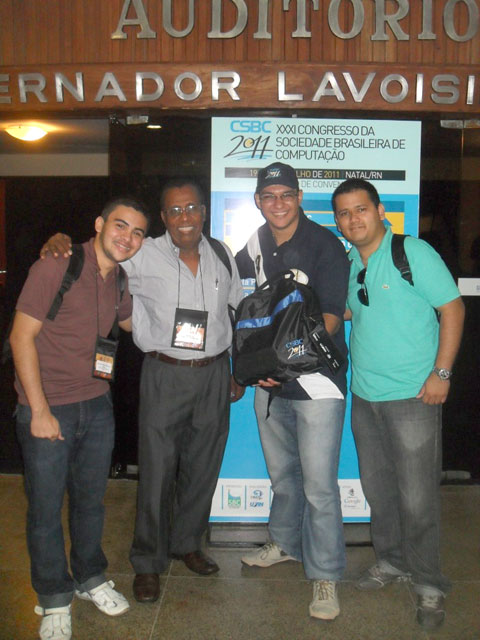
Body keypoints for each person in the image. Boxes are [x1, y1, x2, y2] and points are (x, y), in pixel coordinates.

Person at [42, 179, 245, 605]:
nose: (185, 217)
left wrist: (235, 369)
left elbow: (234, 311)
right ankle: (148, 561)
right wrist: (63, 244)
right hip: (164, 373)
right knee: (157, 471)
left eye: (192, 208)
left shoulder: (222, 253)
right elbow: (101, 259)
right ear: (164, 217)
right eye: (175, 210)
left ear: (204, 211)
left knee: (203, 466)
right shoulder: (143, 253)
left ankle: (187, 543)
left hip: (214, 373)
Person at [10, 198, 149, 640]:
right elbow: (20, 337)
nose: (127, 237)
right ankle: (54, 596)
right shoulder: (57, 265)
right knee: (46, 509)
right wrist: (39, 410)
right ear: (100, 224)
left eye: (137, 232)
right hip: (49, 406)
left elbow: (131, 326)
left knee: (91, 502)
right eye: (120, 226)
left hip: (97, 405)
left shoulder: (120, 279)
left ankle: (89, 577)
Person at [332, 178, 465, 631]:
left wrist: (441, 373)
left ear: (379, 211)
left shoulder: (413, 253)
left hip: (414, 395)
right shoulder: (352, 262)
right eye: (344, 213)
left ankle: (428, 582)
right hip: (365, 395)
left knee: (418, 496)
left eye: (360, 209)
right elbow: (351, 310)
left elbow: (453, 308)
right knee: (379, 490)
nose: (353, 219)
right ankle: (392, 560)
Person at [235, 162, 350, 621]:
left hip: (316, 382)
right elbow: (239, 301)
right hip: (270, 384)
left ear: (300, 198)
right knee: (284, 477)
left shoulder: (325, 245)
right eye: (269, 196)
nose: (278, 203)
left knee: (319, 487)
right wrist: (256, 365)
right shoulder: (253, 244)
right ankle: (284, 543)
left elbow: (332, 318)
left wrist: (281, 364)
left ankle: (325, 575)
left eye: (286, 194)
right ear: (258, 201)